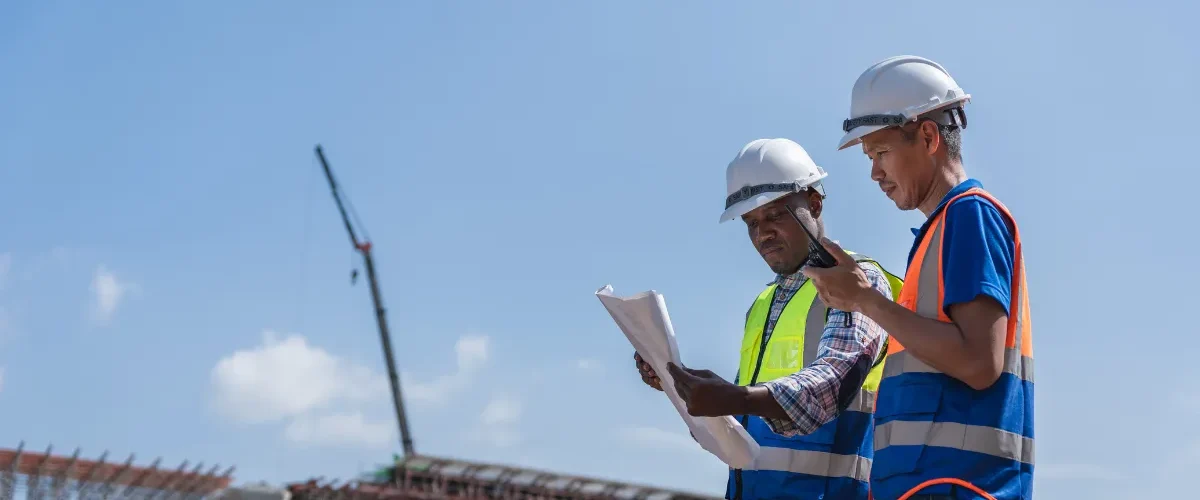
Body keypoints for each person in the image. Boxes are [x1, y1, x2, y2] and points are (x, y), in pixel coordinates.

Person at [801, 55, 1034, 500]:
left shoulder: (970, 216)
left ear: (927, 136)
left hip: (957, 488)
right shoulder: (941, 230)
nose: (874, 173)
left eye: (881, 152)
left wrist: (866, 300)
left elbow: (979, 363)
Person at [634, 137, 904, 500]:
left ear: (814, 203)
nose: (763, 233)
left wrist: (736, 398)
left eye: (775, 215)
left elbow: (830, 386)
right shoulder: (763, 304)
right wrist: (679, 387)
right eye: (750, 222)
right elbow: (738, 436)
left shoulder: (857, 280)